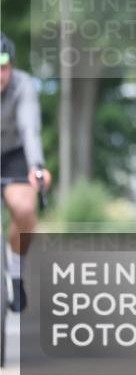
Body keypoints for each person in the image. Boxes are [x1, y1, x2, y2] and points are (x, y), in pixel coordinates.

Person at [0, 33, 52, 312]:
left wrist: (36, 167)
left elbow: (29, 129)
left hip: (15, 153)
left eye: (3, 65)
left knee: (24, 210)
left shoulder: (23, 85)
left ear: (12, 64)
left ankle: (16, 273)